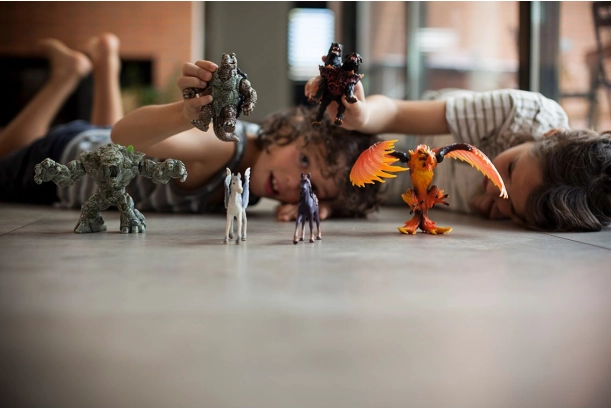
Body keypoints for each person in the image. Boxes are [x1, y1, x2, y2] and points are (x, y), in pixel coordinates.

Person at [0, 38, 383, 221]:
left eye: (313, 187)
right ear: (297, 128)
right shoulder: (222, 147)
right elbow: (122, 137)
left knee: (100, 132)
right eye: (303, 162)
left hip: (102, 145)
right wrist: (185, 114)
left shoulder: (257, 156)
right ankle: (63, 79)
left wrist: (321, 204)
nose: (294, 183)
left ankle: (102, 65)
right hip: (68, 159)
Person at [305, 78, 611, 232]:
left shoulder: (541, 209)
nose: (496, 188)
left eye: (513, 208)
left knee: (326, 181)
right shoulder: (521, 114)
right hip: (416, 131)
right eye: (510, 169)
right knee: (311, 143)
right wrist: (363, 117)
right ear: (549, 134)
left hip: (411, 184)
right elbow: (396, 112)